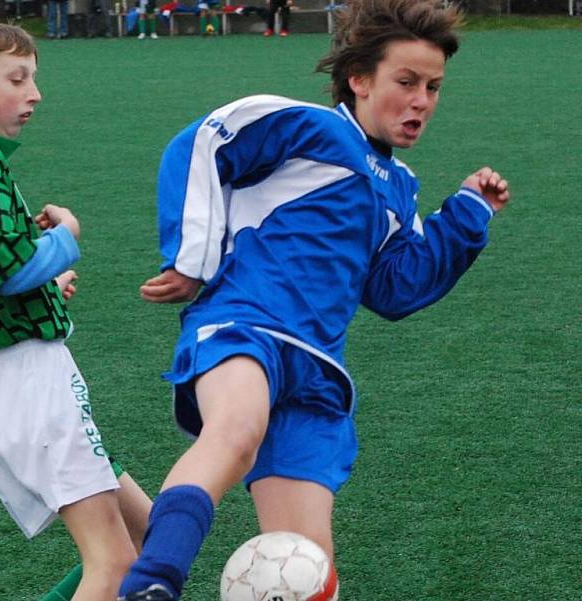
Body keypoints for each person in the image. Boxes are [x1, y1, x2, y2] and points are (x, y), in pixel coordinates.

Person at [117, 1, 510, 600]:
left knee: (307, 568)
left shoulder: (399, 190)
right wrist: (190, 259)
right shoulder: (309, 128)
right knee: (237, 429)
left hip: (319, 373)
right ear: (359, 79)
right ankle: (151, 582)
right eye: (405, 82)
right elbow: (203, 140)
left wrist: (465, 217)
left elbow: (393, 289)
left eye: (433, 87)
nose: (422, 100)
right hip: (246, 325)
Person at [0, 15, 151, 601]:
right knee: (116, 565)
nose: (34, 93)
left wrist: (46, 285)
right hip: (28, 384)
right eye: (18, 78)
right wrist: (64, 239)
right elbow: (0, 269)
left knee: (150, 536)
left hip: (31, 377)